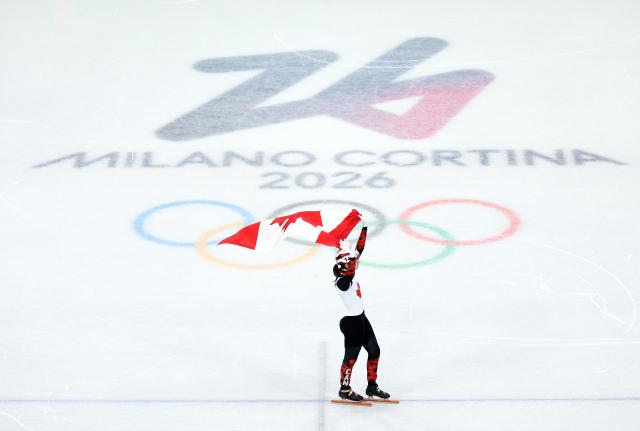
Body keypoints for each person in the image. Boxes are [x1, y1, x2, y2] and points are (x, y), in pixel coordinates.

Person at [333, 223, 391, 401]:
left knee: (374, 350)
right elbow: (350, 267)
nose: (356, 262)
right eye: (351, 261)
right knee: (351, 358)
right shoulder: (343, 282)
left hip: (362, 319)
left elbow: (359, 250)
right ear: (345, 265)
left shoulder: (349, 272)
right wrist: (349, 258)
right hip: (352, 324)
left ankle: (372, 386)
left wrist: (364, 228)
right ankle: (344, 389)